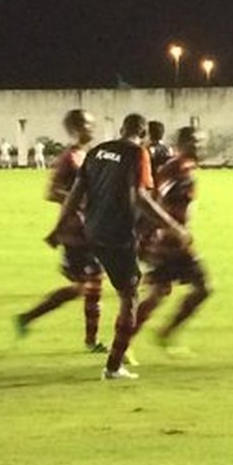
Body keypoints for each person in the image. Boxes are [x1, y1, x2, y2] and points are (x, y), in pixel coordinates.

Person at [54, 113, 188, 380]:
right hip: (118, 235)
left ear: (121, 128)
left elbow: (76, 192)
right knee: (130, 296)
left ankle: (94, 339)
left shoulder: (98, 151)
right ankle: (113, 366)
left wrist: (59, 227)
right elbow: (140, 197)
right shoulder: (138, 153)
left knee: (101, 284)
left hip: (91, 232)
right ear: (143, 133)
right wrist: (173, 225)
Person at [19, 110, 106, 351]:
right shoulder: (68, 158)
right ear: (76, 128)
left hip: (90, 230)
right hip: (75, 233)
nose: (93, 128)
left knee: (87, 287)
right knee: (91, 285)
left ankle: (29, 318)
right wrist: (77, 200)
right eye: (89, 125)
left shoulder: (86, 156)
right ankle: (91, 342)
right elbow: (52, 191)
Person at [133, 127, 211, 352]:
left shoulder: (186, 167)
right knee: (199, 288)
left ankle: (158, 335)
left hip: (176, 240)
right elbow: (151, 199)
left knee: (160, 293)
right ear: (183, 143)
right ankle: (134, 339)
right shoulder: (174, 168)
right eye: (195, 142)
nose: (200, 146)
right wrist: (171, 229)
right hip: (165, 242)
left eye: (202, 142)